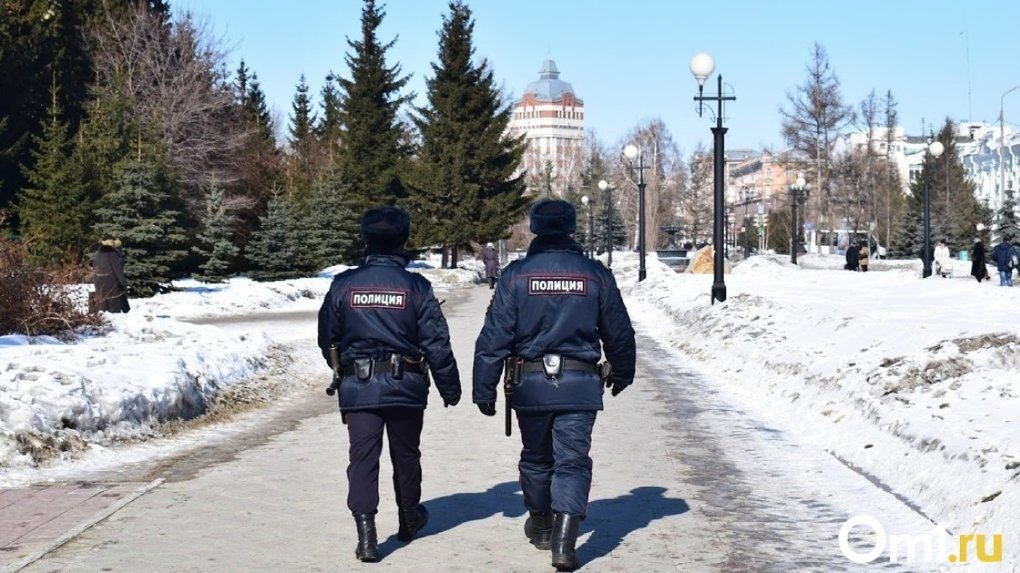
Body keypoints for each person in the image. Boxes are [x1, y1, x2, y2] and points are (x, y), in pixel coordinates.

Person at [473, 199, 636, 572]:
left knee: (536, 457)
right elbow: (618, 331)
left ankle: (543, 525)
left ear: (534, 228)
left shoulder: (516, 275)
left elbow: (494, 336)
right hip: (579, 384)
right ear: (572, 227)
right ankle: (564, 541)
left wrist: (484, 387)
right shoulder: (595, 274)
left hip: (529, 384)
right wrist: (623, 371)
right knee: (573, 462)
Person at [317, 206, 462, 563]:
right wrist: (450, 387)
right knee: (406, 456)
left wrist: (343, 369)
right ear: (404, 241)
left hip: (359, 386)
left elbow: (327, 337)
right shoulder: (416, 287)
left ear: (365, 240)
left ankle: (367, 537)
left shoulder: (344, 284)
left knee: (362, 459)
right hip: (406, 386)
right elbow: (436, 343)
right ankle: (409, 518)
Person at [93, 236, 129, 313]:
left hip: (99, 281)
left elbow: (94, 268)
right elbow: (117, 270)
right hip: (111, 282)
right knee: (113, 305)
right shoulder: (113, 254)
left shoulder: (98, 254)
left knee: (103, 305)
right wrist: (123, 282)